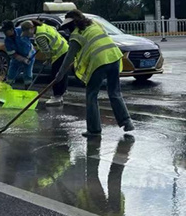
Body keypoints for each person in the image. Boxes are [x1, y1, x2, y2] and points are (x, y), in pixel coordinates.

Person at [56, 9, 134, 138]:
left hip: (99, 62)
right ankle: (127, 122)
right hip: (114, 57)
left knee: (92, 95)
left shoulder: (76, 35)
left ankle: (94, 130)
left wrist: (60, 74)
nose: (68, 30)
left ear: (73, 24)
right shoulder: (95, 24)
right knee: (115, 93)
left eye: (68, 26)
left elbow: (69, 58)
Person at [33, 18, 69, 106]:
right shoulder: (44, 26)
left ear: (31, 29)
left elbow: (47, 51)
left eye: (26, 32)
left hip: (58, 52)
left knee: (55, 75)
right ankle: (60, 95)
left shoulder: (39, 36)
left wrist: (48, 60)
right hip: (64, 48)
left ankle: (57, 96)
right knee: (62, 73)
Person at [2, 19, 36, 85]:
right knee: (11, 76)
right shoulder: (7, 40)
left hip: (29, 56)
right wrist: (23, 59)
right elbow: (13, 54)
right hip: (17, 59)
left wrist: (27, 58)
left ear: (12, 29)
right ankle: (8, 89)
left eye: (6, 31)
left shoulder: (22, 30)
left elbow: (33, 35)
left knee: (28, 76)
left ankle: (27, 90)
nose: (4, 33)